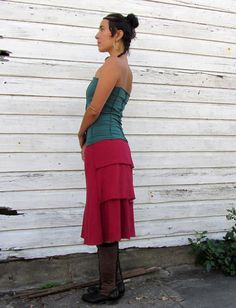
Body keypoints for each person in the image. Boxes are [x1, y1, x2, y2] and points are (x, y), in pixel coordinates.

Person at [77, 12, 139, 304]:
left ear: (117, 35)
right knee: (108, 216)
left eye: (102, 29)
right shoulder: (123, 67)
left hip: (104, 147)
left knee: (105, 217)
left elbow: (94, 110)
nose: (97, 34)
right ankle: (113, 284)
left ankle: (108, 288)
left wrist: (80, 133)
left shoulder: (114, 64)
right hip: (114, 147)